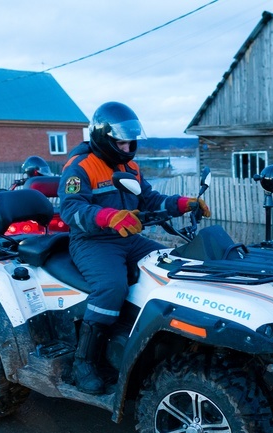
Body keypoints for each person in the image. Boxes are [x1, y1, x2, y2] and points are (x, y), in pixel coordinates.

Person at [58, 101, 210, 394]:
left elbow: (149, 199)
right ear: (104, 139)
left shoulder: (130, 167)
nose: (129, 149)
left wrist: (183, 203)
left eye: (131, 143)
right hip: (92, 241)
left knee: (171, 264)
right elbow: (70, 210)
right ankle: (84, 363)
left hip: (129, 238)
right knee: (111, 286)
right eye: (122, 143)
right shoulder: (80, 168)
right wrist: (108, 216)